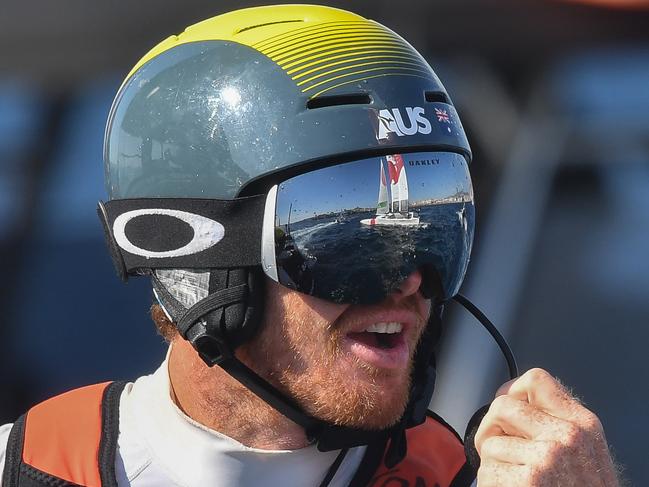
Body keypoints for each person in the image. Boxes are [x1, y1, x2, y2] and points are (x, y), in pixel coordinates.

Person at [0, 5, 620, 486]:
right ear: (201, 263)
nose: (409, 282)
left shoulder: (471, 476)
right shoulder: (28, 467)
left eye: (433, 230)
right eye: (347, 239)